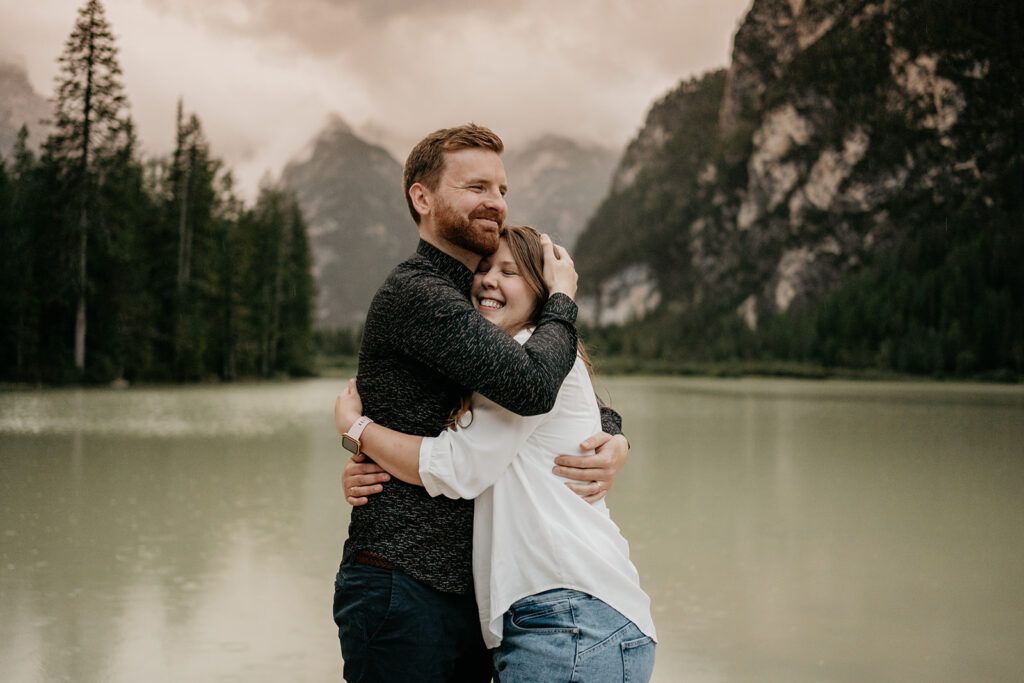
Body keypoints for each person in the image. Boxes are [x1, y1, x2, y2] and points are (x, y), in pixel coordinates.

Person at [333, 124, 630, 682]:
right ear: (422, 198)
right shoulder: (421, 293)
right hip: (405, 580)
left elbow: (539, 394)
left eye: (502, 189)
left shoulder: (474, 302)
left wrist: (611, 435)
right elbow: (532, 388)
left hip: (468, 597)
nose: (495, 201)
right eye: (476, 187)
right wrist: (562, 296)